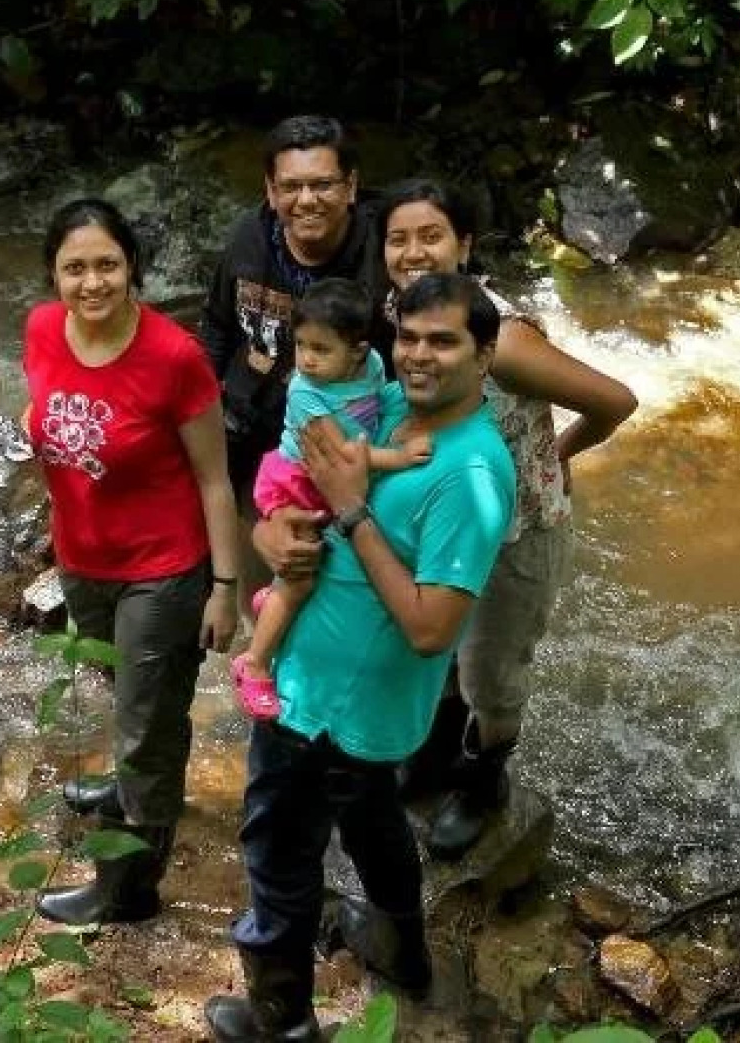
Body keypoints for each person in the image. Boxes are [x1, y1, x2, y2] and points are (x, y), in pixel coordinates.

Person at [202, 273, 516, 1043]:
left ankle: (282, 1017)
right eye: (409, 336)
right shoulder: (392, 407)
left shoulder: (470, 472)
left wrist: (350, 507)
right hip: (354, 699)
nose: (419, 355)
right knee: (373, 819)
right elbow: (287, 495)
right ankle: (402, 952)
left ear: (486, 355)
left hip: (328, 701)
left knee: (277, 846)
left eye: (444, 341)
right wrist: (273, 534)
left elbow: (431, 627)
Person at [379, 178, 638, 859]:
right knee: (433, 650)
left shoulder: (509, 338)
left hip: (517, 536)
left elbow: (617, 400)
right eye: (397, 238)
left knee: (492, 676)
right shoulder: (399, 312)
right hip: (443, 523)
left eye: (430, 236)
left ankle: (483, 784)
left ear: (463, 245)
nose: (413, 252)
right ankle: (433, 757)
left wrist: (556, 453)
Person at [17, 198, 242, 927]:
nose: (92, 282)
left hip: (164, 567)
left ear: (132, 267)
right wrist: (19, 441)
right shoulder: (42, 328)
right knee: (126, 693)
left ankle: (127, 891)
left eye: (106, 264)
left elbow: (215, 478)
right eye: (75, 267)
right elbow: (46, 415)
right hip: (85, 560)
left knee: (149, 726)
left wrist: (226, 587)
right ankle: (127, 792)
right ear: (54, 275)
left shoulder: (173, 357)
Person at [198, 114, 394, 624]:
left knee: (338, 595)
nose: (306, 200)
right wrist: (200, 412)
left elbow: (417, 357)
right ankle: (260, 685)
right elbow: (218, 325)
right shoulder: (250, 237)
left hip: (350, 442)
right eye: (291, 187)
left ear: (350, 186)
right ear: (270, 190)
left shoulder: (384, 250)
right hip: (255, 434)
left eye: (323, 184)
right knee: (260, 588)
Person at [230, 277, 432, 718]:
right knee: (300, 574)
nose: (307, 359)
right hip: (293, 478)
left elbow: (378, 408)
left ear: (358, 351)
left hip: (326, 475)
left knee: (320, 564)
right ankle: (255, 664)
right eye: (301, 345)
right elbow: (342, 454)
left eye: (321, 349)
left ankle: (273, 602)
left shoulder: (374, 366)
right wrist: (400, 458)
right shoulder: (305, 389)